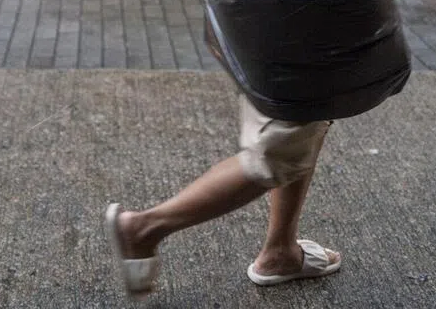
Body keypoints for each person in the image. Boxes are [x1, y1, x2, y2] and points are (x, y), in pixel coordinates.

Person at [104, 24, 342, 298]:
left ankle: (281, 249)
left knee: (308, 115)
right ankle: (144, 227)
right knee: (279, 147)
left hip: (287, 10)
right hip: (299, 16)